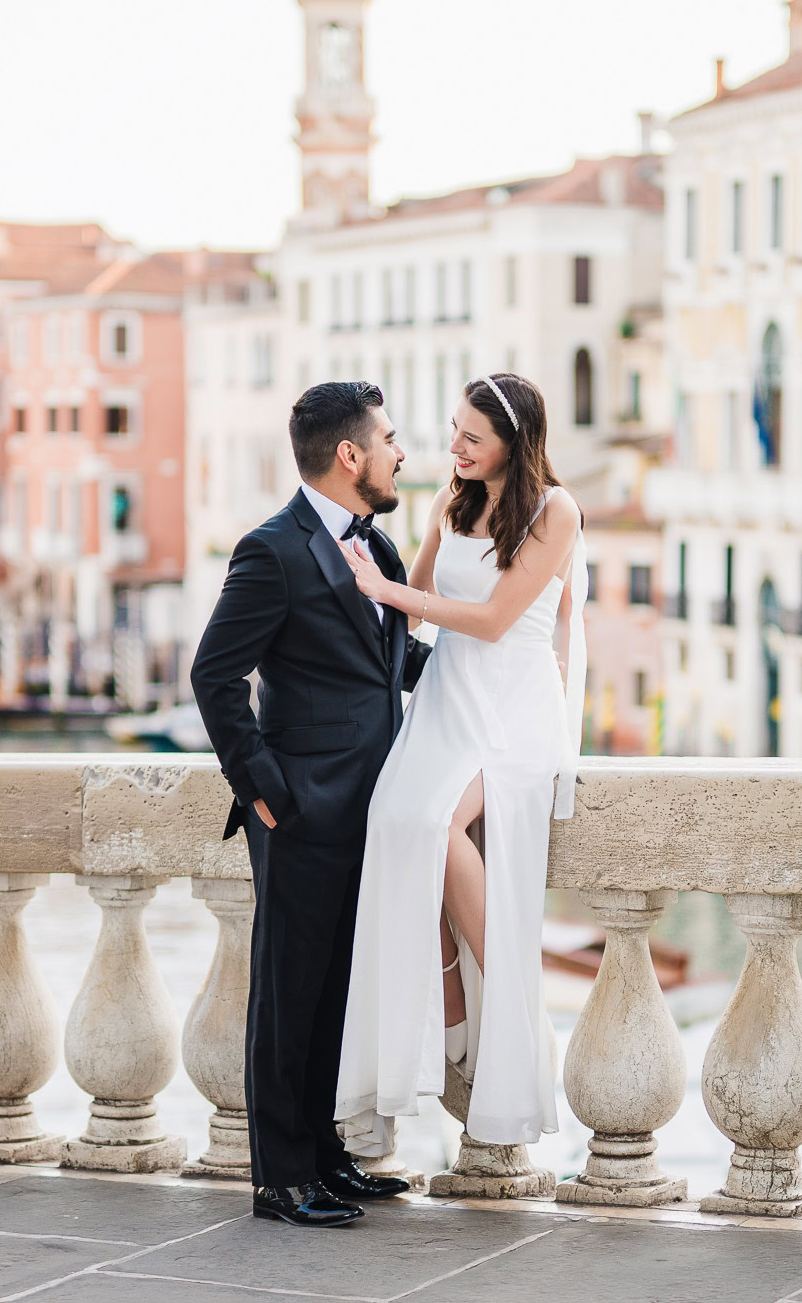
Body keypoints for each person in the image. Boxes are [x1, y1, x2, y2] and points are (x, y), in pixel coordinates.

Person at [190, 381, 430, 1228]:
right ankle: (278, 1178)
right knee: (287, 996)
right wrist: (263, 792)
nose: (405, 452)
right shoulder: (272, 551)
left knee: (333, 993)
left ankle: (325, 1158)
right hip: (297, 814)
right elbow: (214, 677)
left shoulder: (384, 553)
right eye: (392, 439)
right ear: (350, 456)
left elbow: (393, 663)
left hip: (373, 811)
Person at [334, 373, 585, 1167]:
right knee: (395, 821)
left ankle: (509, 1006)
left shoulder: (557, 511)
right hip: (448, 696)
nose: (455, 449)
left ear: (515, 440)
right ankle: (441, 1016)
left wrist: (390, 593)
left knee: (441, 823)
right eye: (453, 432)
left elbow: (497, 617)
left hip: (514, 703)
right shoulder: (451, 501)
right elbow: (407, 593)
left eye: (471, 437)